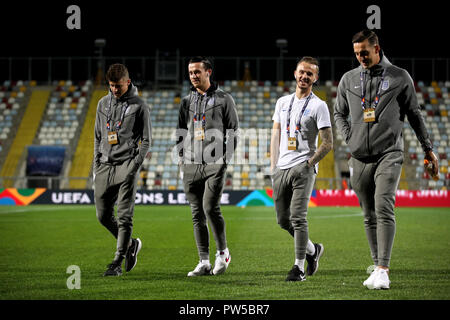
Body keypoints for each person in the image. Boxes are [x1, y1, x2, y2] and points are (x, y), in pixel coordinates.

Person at [334, 30, 439, 289]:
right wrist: (350, 138)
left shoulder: (399, 77)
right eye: (357, 53)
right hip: (359, 157)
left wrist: (428, 150)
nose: (361, 57)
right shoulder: (348, 79)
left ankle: (383, 268)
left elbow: (414, 115)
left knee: (383, 206)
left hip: (389, 153)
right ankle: (376, 266)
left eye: (365, 53)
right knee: (368, 214)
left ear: (377, 49)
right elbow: (339, 113)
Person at [270, 56, 333, 281]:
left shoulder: (319, 105)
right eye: (302, 72)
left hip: (303, 168)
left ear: (315, 78)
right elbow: (276, 135)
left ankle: (297, 268)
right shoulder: (282, 102)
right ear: (295, 73)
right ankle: (313, 251)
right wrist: (273, 167)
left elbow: (328, 142)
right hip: (281, 169)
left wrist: (309, 164)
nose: (305, 76)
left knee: (298, 217)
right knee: (283, 221)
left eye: (310, 73)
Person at [176, 56, 239, 276]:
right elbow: (180, 132)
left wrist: (224, 160)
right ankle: (203, 261)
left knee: (210, 208)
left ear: (208, 72)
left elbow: (233, 133)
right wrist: (182, 159)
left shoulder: (224, 99)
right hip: (191, 166)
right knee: (196, 213)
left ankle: (223, 253)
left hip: (215, 164)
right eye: (190, 72)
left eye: (197, 72)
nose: (193, 76)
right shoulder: (186, 102)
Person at [93, 63, 151, 276]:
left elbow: (146, 141)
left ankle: (117, 261)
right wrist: (95, 166)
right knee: (102, 216)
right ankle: (131, 245)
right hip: (104, 166)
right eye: (111, 86)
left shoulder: (139, 106)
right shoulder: (102, 104)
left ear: (128, 82)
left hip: (126, 165)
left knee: (125, 216)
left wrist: (133, 167)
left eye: (118, 86)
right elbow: (98, 137)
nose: (115, 90)